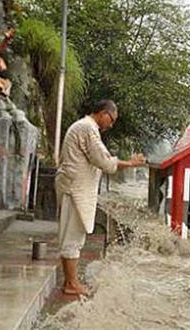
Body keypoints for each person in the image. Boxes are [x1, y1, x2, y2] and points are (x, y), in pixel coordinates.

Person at [56, 99, 146, 295]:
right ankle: (71, 284)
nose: (111, 125)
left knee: (72, 237)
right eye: (111, 119)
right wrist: (131, 163)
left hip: (74, 187)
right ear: (103, 113)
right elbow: (103, 161)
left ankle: (71, 282)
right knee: (72, 238)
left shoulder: (85, 127)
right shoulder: (87, 128)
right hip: (75, 189)